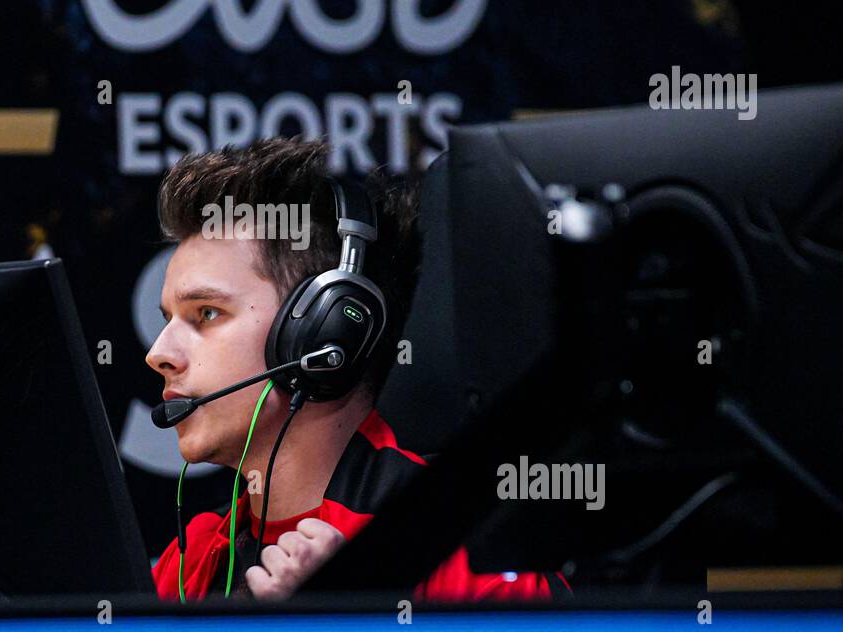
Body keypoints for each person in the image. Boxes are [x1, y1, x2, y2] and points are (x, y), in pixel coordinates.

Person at [145, 137, 570, 602]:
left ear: (325, 334)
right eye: (167, 319)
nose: (158, 353)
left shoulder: (471, 556)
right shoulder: (190, 563)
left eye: (206, 313)